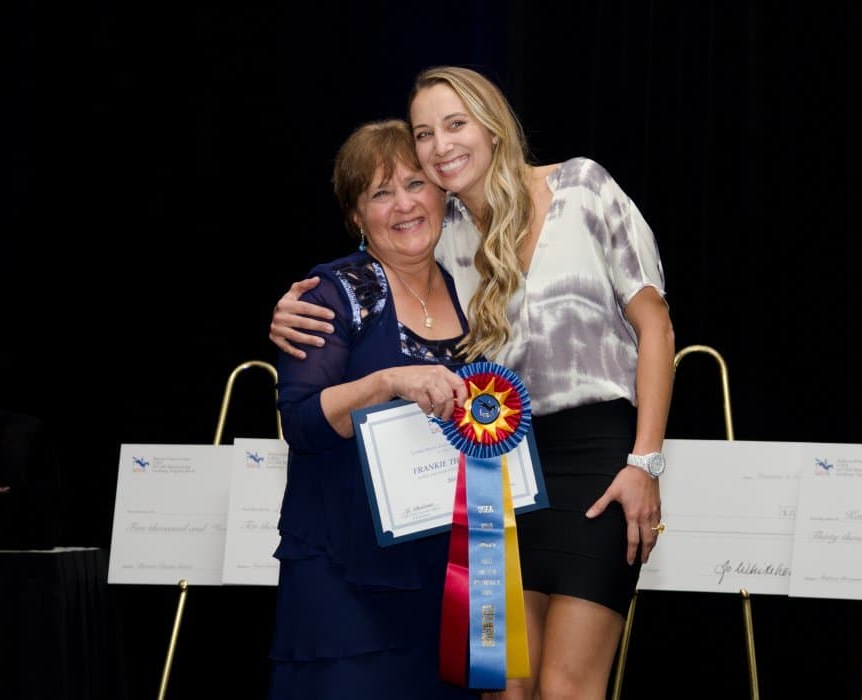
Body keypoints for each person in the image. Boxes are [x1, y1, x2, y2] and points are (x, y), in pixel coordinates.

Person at [269, 66, 675, 700]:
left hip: (597, 462)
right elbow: (381, 268)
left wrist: (644, 462)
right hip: (501, 476)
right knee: (504, 686)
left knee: (566, 686)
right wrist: (288, 309)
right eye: (425, 133)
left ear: (492, 126)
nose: (441, 145)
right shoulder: (446, 232)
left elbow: (656, 328)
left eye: (455, 123)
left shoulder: (583, 187)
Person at [266, 117, 480, 699]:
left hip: (453, 574)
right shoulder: (333, 292)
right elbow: (301, 422)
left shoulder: (474, 290)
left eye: (416, 184)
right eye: (381, 193)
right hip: (346, 573)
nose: (404, 205)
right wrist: (386, 381)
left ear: (442, 193)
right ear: (357, 215)